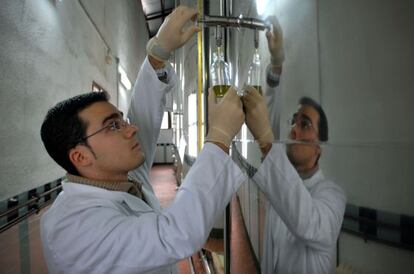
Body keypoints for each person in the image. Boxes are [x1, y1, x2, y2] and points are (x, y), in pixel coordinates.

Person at [40, 6, 246, 274]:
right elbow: (173, 236)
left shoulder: (116, 177)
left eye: (121, 120)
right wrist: (218, 139)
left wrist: (157, 56)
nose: (131, 129)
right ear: (80, 156)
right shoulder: (71, 229)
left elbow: (143, 120)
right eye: (113, 126)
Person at [242, 15, 346, 274]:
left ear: (320, 146)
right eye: (294, 121)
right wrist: (276, 63)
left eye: (305, 124)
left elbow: (308, 223)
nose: (294, 130)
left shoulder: (332, 195)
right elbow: (267, 116)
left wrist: (267, 143)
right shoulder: (284, 180)